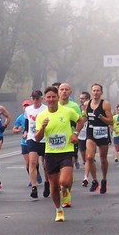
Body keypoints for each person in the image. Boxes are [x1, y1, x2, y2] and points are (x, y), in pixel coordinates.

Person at [35, 85, 84, 222]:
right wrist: (43, 127)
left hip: (66, 151)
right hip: (50, 153)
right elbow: (37, 138)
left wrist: (75, 133)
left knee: (64, 182)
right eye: (48, 97)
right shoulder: (41, 116)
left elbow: (80, 120)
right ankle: (59, 210)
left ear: (57, 97)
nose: (51, 99)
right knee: (54, 186)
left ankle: (66, 189)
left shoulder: (67, 111)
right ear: (45, 99)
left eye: (53, 97)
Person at [83, 83, 114, 194]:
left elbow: (111, 121)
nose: (96, 92)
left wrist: (102, 117)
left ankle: (104, 179)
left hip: (102, 131)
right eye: (94, 90)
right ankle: (95, 180)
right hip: (91, 130)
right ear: (91, 92)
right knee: (90, 157)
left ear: (101, 92)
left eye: (98, 91)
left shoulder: (105, 104)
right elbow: (84, 117)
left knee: (103, 159)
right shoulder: (87, 104)